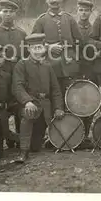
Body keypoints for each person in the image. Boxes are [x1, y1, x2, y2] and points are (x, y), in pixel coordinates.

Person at [12, 33, 65, 163]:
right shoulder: (22, 64)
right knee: (29, 114)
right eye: (34, 48)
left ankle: (36, 141)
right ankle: (23, 152)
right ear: (28, 49)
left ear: (44, 49)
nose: (37, 51)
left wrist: (58, 108)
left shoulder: (47, 66)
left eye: (40, 48)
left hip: (45, 109)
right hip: (30, 105)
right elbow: (17, 87)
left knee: (35, 147)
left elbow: (55, 90)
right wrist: (27, 101)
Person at [0, 0, 27, 149]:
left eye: (11, 12)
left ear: (15, 14)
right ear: (0, 13)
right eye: (5, 11)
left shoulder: (21, 33)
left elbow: (26, 55)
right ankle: (0, 136)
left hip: (18, 76)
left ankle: (21, 138)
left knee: (18, 106)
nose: (8, 15)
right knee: (1, 107)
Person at [31, 0, 83, 94]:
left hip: (70, 65)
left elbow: (79, 41)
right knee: (54, 93)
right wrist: (48, 47)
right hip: (51, 65)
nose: (54, 0)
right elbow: (34, 43)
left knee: (72, 94)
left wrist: (75, 57)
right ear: (46, 0)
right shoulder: (41, 20)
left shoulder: (69, 18)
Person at [75, 0, 97, 149]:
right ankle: (76, 134)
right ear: (77, 11)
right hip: (75, 69)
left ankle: (87, 133)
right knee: (74, 101)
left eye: (86, 10)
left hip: (91, 69)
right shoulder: (72, 27)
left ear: (90, 12)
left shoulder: (95, 28)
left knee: (90, 101)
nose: (83, 13)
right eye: (81, 10)